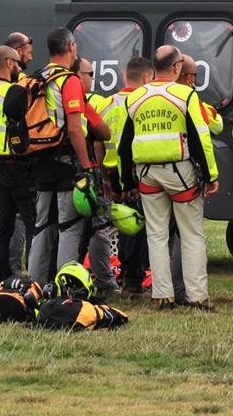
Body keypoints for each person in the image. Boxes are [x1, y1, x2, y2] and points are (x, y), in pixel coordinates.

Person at [118, 44, 219, 311]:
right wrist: (210, 175)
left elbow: (124, 143)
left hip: (147, 174)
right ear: (177, 68)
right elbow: (200, 138)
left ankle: (163, 296)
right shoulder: (185, 95)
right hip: (180, 172)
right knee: (192, 235)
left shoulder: (135, 98)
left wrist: (127, 184)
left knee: (156, 235)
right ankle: (197, 296)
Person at [27, 29, 108, 288]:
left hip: (40, 159)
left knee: (42, 226)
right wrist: (86, 166)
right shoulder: (69, 80)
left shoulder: (37, 77)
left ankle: (36, 283)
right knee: (70, 225)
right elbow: (75, 128)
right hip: (66, 162)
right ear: (71, 46)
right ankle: (66, 284)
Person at [0, 45, 35, 285]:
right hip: (17, 165)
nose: (21, 68)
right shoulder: (11, 92)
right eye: (19, 64)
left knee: (3, 224)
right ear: (9, 63)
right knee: (34, 222)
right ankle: (35, 273)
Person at [105, 56, 153, 296]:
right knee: (136, 229)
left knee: (117, 228)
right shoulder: (142, 103)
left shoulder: (105, 104)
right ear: (146, 79)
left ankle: (120, 277)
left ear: (125, 76)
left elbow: (94, 140)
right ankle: (133, 280)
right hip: (134, 174)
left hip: (110, 175)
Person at [76, 58, 119, 296]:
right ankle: (106, 282)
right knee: (99, 228)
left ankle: (66, 276)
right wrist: (102, 175)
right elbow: (103, 133)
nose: (93, 77)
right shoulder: (90, 101)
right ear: (78, 75)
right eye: (90, 73)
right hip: (87, 172)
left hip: (56, 172)